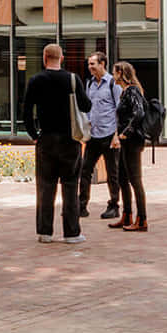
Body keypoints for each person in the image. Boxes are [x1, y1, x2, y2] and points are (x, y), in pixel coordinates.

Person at [20, 42, 91, 244]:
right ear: (61, 58)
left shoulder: (36, 80)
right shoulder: (72, 79)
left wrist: (34, 134)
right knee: (70, 185)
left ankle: (45, 232)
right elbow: (86, 105)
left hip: (46, 139)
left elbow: (26, 112)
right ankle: (72, 233)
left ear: (44, 58)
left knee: (45, 186)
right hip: (70, 139)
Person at [78, 49, 123, 220]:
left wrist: (117, 135)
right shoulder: (89, 84)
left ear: (102, 64)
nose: (90, 67)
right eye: (89, 64)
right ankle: (81, 205)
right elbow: (88, 107)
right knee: (85, 170)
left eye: (92, 64)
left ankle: (114, 206)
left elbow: (119, 110)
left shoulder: (113, 84)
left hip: (109, 134)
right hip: (94, 135)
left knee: (113, 173)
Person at [109, 61, 149, 231]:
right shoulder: (125, 92)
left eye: (114, 72)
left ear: (121, 73)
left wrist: (127, 131)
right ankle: (127, 215)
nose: (112, 76)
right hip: (125, 141)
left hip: (133, 142)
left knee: (135, 180)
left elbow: (139, 112)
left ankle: (142, 219)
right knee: (123, 179)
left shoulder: (132, 90)